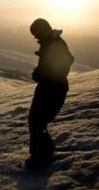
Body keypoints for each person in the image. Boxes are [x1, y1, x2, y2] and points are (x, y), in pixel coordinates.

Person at [25, 18, 74, 170]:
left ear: (43, 30)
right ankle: (42, 153)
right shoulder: (50, 43)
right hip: (50, 87)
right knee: (36, 120)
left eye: (36, 34)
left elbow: (64, 64)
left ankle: (42, 156)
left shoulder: (55, 44)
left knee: (37, 120)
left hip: (53, 88)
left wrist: (43, 74)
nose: (35, 37)